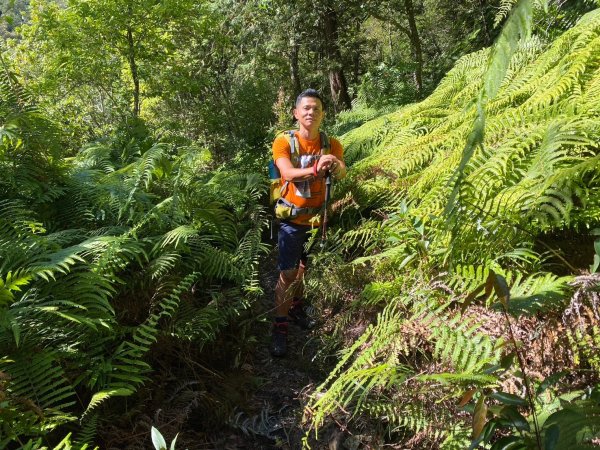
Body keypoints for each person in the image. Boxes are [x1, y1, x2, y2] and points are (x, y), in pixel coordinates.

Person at [271, 89, 346, 357]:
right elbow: (287, 173)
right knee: (288, 273)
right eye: (306, 108)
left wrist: (335, 166)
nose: (310, 112)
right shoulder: (284, 142)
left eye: (316, 109)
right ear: (296, 113)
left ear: (323, 114)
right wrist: (316, 169)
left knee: (302, 270)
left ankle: (296, 307)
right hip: (292, 221)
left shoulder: (332, 144)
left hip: (318, 220)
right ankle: (280, 327)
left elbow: (342, 170)